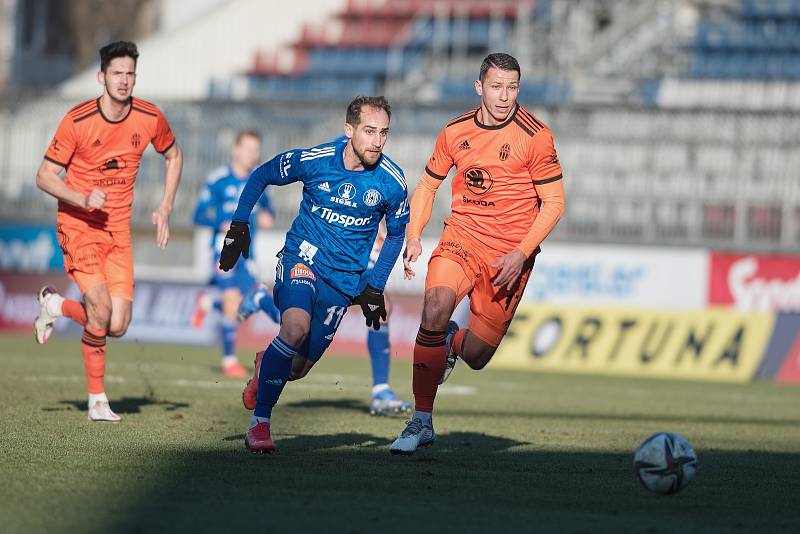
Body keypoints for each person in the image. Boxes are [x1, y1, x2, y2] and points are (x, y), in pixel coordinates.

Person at [390, 53, 565, 455]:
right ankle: (421, 420)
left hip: (509, 256)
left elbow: (554, 202)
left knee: (477, 355)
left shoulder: (535, 135)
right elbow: (427, 185)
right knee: (435, 306)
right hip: (463, 237)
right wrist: (414, 234)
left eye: (512, 87)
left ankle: (452, 344)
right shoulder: (454, 132)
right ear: (479, 88)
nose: (504, 96)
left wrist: (522, 252)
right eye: (496, 86)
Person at [219, 96, 409, 453]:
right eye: (369, 131)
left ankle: (265, 364)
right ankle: (260, 425)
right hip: (301, 258)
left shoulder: (392, 181)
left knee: (297, 368)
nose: (377, 141)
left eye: (384, 133)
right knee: (294, 329)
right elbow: (263, 174)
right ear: (348, 130)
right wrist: (239, 223)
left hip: (343, 281)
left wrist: (375, 287)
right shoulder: (316, 160)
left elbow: (397, 233)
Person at [32, 41, 183, 422]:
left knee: (116, 324)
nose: (124, 80)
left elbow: (173, 155)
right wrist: (81, 198)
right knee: (99, 309)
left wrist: (165, 206)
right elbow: (44, 176)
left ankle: (54, 306)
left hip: (118, 232)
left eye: (130, 73)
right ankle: (97, 401)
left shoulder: (149, 116)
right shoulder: (77, 120)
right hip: (78, 225)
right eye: (117, 73)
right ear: (102, 77)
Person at [238, 217, 412, 416]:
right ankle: (262, 305)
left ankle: (380, 391)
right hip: (327, 263)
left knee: (382, 308)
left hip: (362, 265)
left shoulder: (387, 190)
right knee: (297, 342)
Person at [192, 130, 280, 377]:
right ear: (236, 150)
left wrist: (267, 216)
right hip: (223, 248)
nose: (252, 155)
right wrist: (221, 221)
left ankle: (210, 303)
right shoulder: (218, 179)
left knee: (242, 309)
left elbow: (269, 210)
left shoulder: (259, 181)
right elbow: (199, 214)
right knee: (232, 299)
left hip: (248, 254)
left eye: (256, 150)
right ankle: (229, 360)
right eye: (248, 149)